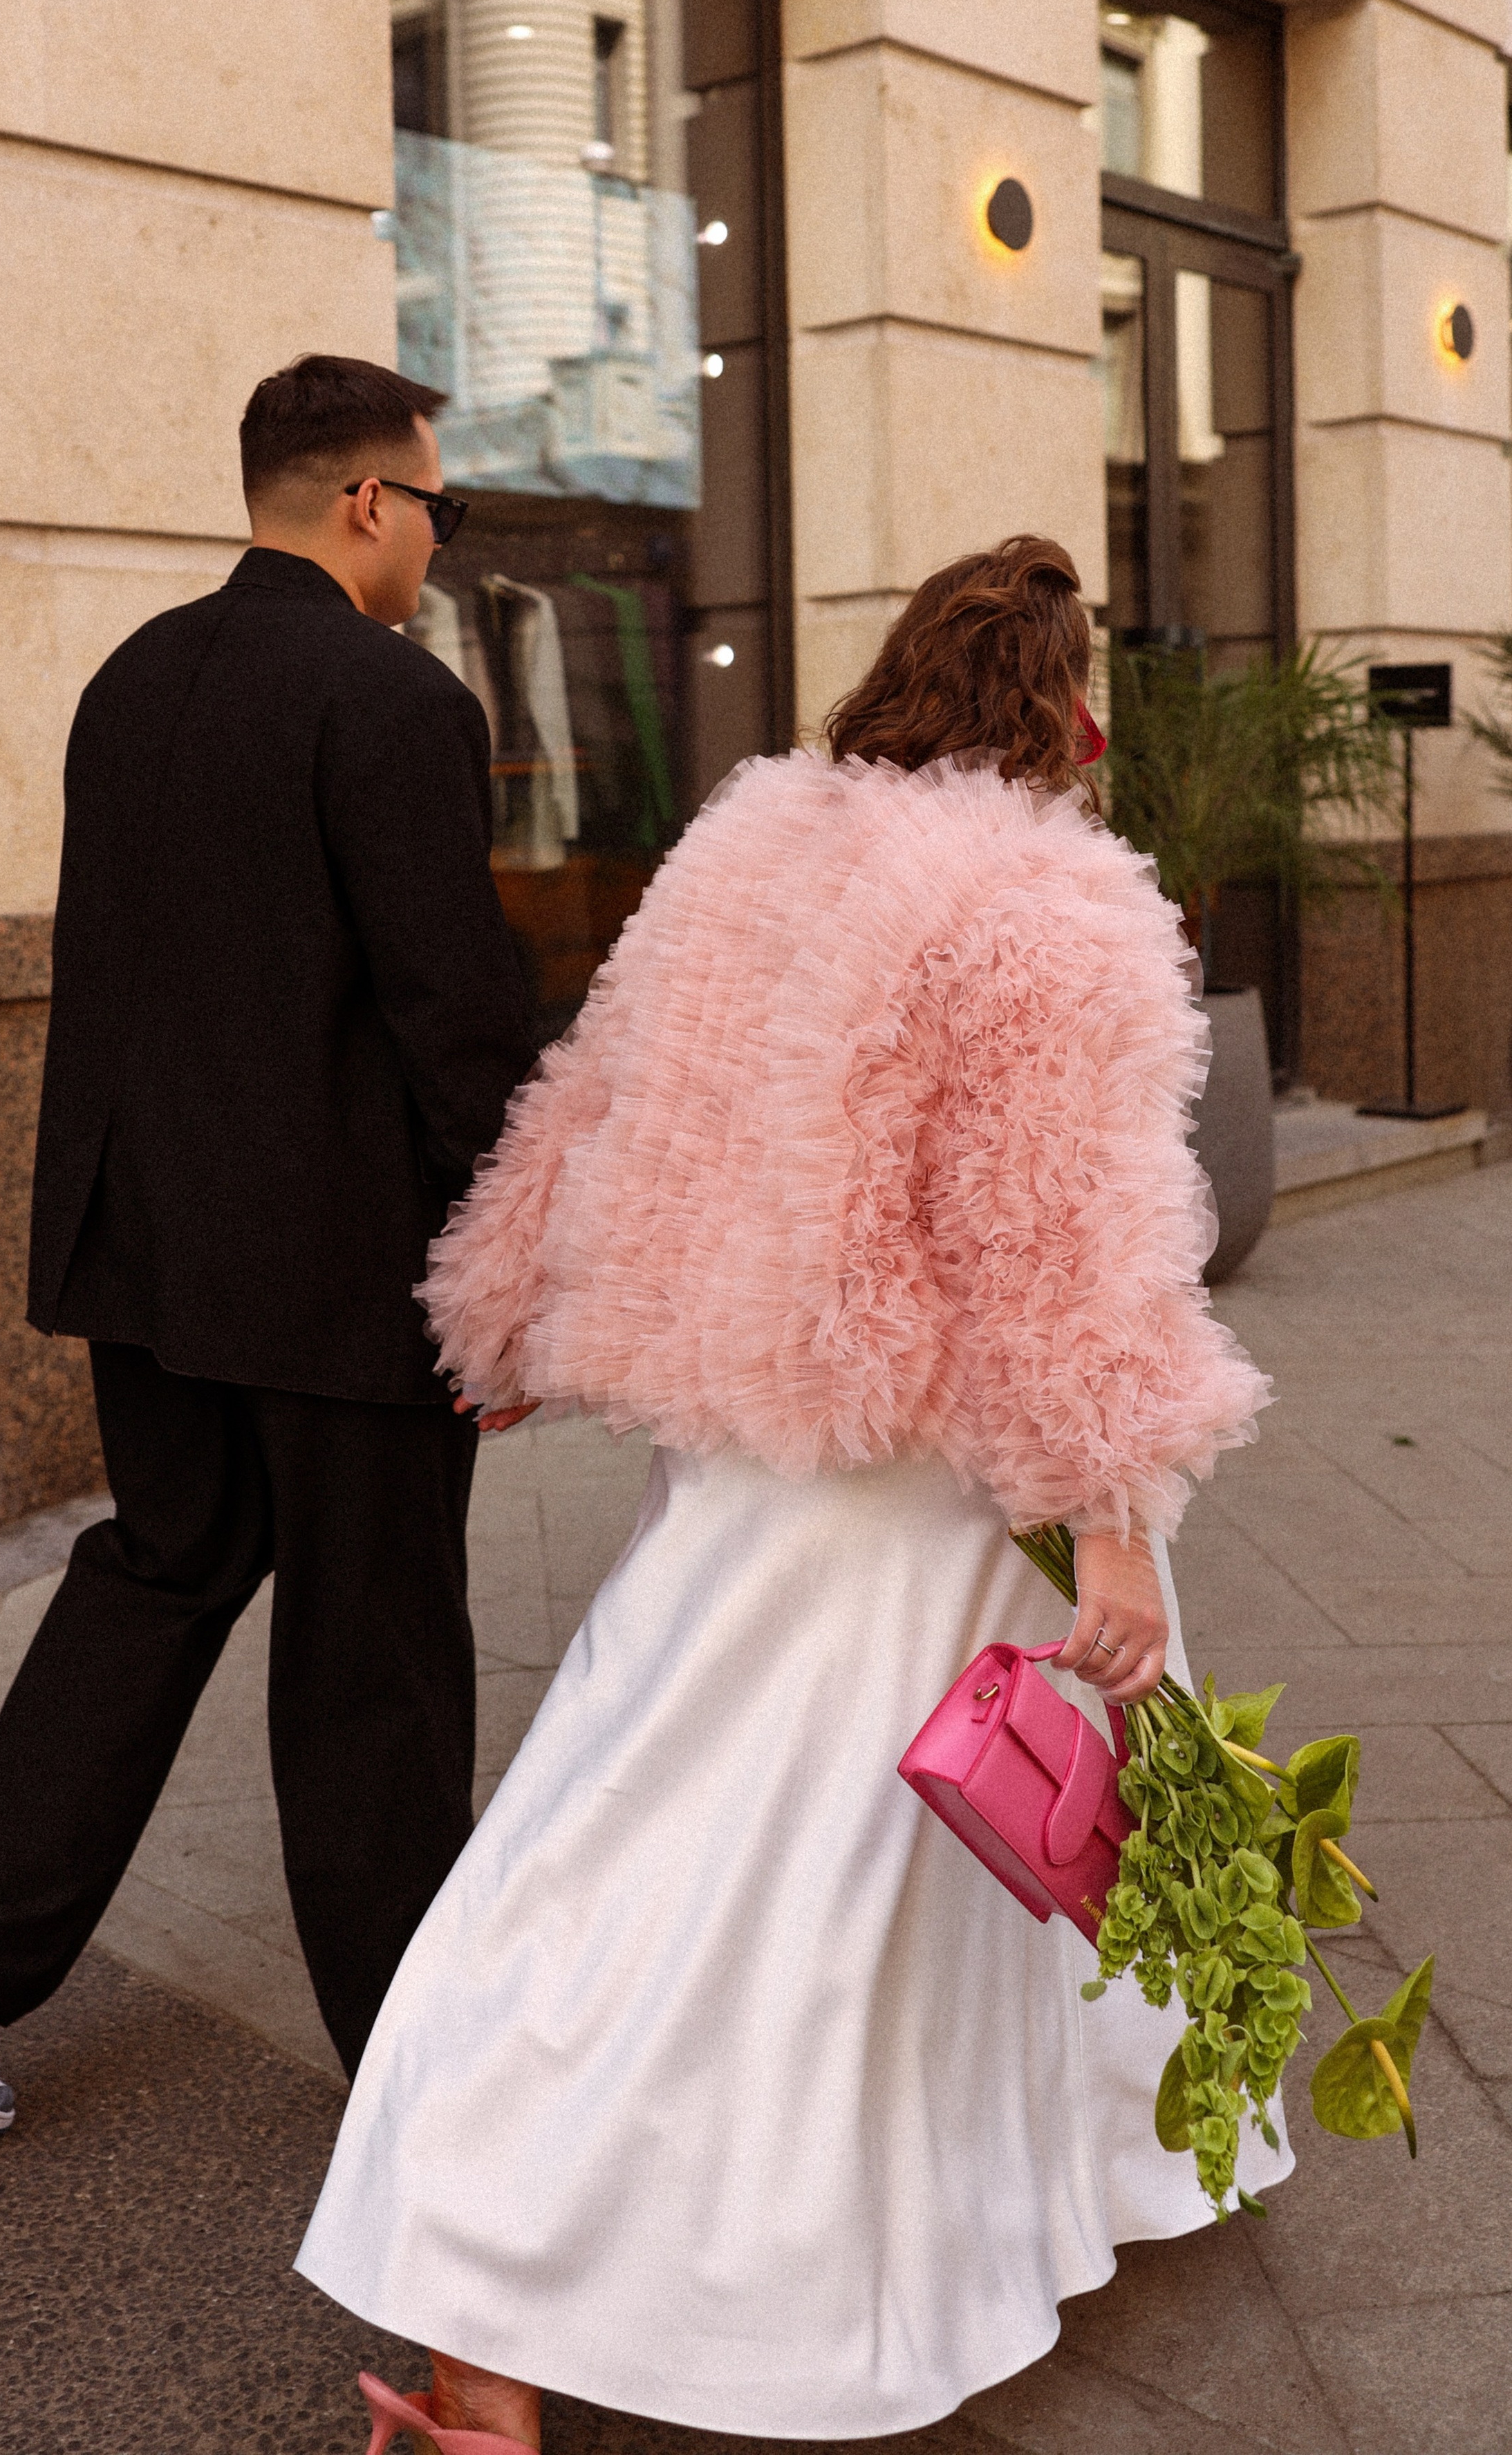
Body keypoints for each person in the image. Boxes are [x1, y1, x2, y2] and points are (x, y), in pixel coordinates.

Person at [293, 536, 1286, 2452]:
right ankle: (971, 2222)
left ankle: (485, 2325)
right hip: (920, 1472)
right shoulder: (1057, 904)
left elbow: (590, 1095)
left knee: (617, 1837)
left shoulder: (746, 848)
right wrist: (1109, 1512)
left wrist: (501, 1319)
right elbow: (1062, 1237)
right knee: (941, 1855)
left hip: (736, 1441)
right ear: (1072, 715)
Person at [0, 354, 535, 2133]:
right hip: (333, 1266)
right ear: (368, 502)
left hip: (142, 1249)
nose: (436, 550)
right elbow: (450, 1010)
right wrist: (535, 1244)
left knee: (159, 1574)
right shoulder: (391, 699)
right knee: (369, 1655)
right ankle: (420, 2088)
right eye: (435, 511)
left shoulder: (129, 680)